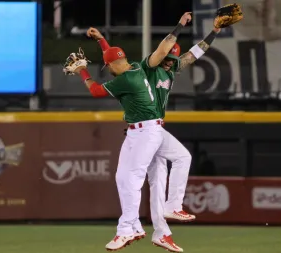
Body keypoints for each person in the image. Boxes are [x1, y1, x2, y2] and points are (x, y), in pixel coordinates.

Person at [63, 12, 192, 253]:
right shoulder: (135, 67)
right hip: (147, 131)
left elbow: (96, 91)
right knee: (154, 173)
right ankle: (164, 226)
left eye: (107, 66)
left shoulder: (126, 80)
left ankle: (129, 228)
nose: (107, 69)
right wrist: (102, 40)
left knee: (131, 178)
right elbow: (114, 56)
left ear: (111, 66)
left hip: (146, 133)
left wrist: (83, 70)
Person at [86, 14, 222, 227]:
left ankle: (164, 222)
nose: (170, 63)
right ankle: (140, 225)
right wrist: (102, 41)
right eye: (168, 59)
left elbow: (194, 54)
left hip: (154, 130)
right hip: (144, 130)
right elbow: (117, 62)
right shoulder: (147, 68)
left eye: (173, 60)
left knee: (166, 172)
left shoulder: (173, 69)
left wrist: (214, 32)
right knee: (149, 180)